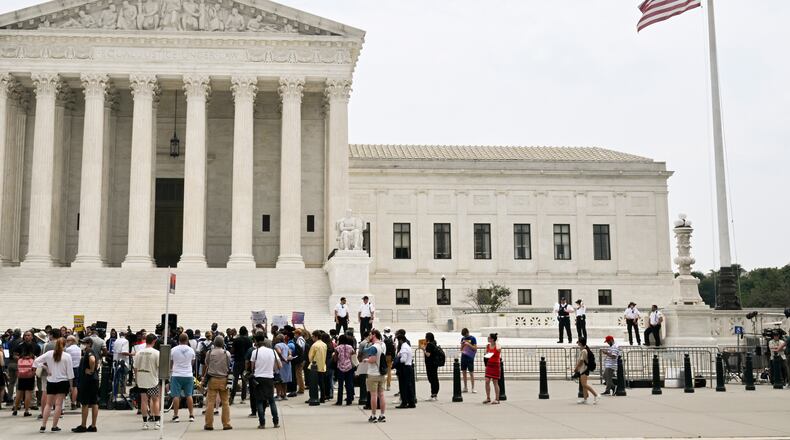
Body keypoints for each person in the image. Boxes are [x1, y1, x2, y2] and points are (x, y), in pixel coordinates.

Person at [33, 337, 74, 432]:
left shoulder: (49, 354)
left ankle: (43, 425)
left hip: (51, 381)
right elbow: (70, 373)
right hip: (63, 381)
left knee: (48, 404)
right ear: (64, 345)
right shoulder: (67, 356)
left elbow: (35, 362)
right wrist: (71, 386)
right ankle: (54, 426)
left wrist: (45, 367)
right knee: (58, 405)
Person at [250, 332, 280, 429]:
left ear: (256, 341)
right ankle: (276, 422)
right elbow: (277, 365)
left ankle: (262, 423)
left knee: (259, 401)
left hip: (258, 378)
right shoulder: (272, 351)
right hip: (269, 377)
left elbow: (252, 367)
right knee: (271, 401)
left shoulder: (255, 352)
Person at [203, 335, 232, 431]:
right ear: (223, 343)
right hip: (224, 379)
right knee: (225, 402)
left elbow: (207, 363)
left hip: (213, 379)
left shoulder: (209, 352)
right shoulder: (226, 353)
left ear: (214, 343)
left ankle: (209, 424)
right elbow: (229, 364)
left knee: (210, 402)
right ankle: (226, 424)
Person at [71, 338, 99, 433]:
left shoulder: (89, 351)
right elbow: (96, 363)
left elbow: (92, 360)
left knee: (85, 403)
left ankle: (83, 425)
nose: (82, 344)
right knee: (94, 402)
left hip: (88, 381)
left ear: (89, 344)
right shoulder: (93, 351)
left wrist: (91, 370)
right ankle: (93, 425)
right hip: (94, 380)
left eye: (83, 343)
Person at [134, 333, 160, 430]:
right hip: (152, 379)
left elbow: (135, 368)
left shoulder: (138, 353)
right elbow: (159, 366)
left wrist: (136, 379)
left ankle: (145, 423)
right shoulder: (156, 353)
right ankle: (157, 421)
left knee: (144, 401)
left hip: (141, 379)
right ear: (153, 341)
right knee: (155, 400)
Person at [170, 333, 196, 422]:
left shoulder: (173, 350)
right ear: (187, 340)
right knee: (189, 395)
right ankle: (191, 415)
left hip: (176, 374)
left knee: (176, 396)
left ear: (178, 340)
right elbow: (192, 363)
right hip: (188, 374)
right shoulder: (191, 350)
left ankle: (176, 415)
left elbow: (171, 363)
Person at [12, 336, 38, 417]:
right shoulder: (33, 359)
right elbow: (35, 369)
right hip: (30, 377)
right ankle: (26, 411)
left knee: (19, 393)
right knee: (28, 393)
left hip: (21, 377)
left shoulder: (20, 359)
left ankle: (15, 409)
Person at [364, 329, 386, 423]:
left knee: (373, 395)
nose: (369, 336)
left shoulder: (374, 347)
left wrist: (366, 360)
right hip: (381, 373)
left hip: (373, 373)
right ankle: (382, 415)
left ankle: (373, 415)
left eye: (370, 335)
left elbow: (372, 360)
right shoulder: (382, 345)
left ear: (374, 335)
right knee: (381, 395)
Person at [573, 337, 599, 405]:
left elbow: (581, 361)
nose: (577, 343)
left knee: (584, 384)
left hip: (584, 369)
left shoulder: (584, 351)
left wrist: (576, 368)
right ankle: (585, 399)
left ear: (580, 343)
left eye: (578, 342)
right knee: (583, 385)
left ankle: (596, 395)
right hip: (583, 369)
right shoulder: (584, 349)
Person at [230, 326, 251, 405]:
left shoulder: (236, 340)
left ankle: (232, 397)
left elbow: (232, 350)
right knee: (244, 380)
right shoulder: (249, 340)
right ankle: (243, 397)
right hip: (245, 362)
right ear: (246, 332)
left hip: (237, 361)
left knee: (235, 380)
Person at [394, 330, 415, 408]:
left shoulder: (404, 347)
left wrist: (398, 357)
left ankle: (404, 402)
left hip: (405, 368)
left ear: (400, 340)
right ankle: (411, 402)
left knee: (403, 386)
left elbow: (403, 359)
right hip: (408, 367)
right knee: (408, 386)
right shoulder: (407, 346)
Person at [333, 334, 355, 405]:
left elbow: (335, 359)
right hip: (349, 367)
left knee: (340, 385)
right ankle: (349, 400)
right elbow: (354, 357)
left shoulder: (337, 348)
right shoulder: (350, 347)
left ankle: (339, 401)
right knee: (349, 384)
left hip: (340, 368)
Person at [308, 330, 328, 403]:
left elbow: (310, 357)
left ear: (316, 336)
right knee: (321, 383)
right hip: (322, 365)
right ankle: (322, 398)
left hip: (314, 366)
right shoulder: (324, 344)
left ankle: (313, 397)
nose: (312, 338)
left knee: (313, 383)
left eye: (313, 336)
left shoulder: (314, 345)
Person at [483, 333, 501, 405]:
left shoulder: (498, 345)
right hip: (489, 365)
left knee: (495, 381)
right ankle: (488, 398)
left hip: (496, 365)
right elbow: (486, 354)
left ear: (492, 339)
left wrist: (495, 342)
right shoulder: (487, 346)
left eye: (489, 337)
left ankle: (497, 399)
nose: (488, 338)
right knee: (487, 381)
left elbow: (498, 349)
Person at [64, 335, 82, 410]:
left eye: (68, 341)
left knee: (66, 386)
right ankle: (73, 403)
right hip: (77, 368)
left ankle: (62, 403)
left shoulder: (67, 349)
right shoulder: (79, 349)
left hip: (68, 369)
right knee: (75, 386)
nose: (66, 342)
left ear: (72, 341)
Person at [273, 334, 292, 400]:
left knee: (278, 380)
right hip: (287, 364)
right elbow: (290, 352)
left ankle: (278, 396)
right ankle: (284, 395)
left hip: (280, 363)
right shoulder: (286, 345)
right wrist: (288, 358)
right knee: (285, 381)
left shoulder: (277, 345)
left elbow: (279, 352)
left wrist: (284, 359)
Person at [459, 328, 477, 393]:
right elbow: (461, 349)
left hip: (470, 357)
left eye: (465, 335)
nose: (464, 336)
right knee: (464, 372)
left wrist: (468, 344)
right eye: (463, 335)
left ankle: (473, 388)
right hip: (463, 356)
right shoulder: (462, 339)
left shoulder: (473, 338)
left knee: (471, 373)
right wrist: (463, 345)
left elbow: (475, 348)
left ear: (467, 332)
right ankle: (465, 387)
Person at [423, 332, 440, 400]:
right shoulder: (434, 342)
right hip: (434, 364)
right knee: (435, 378)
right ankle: (435, 394)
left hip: (430, 364)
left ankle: (433, 394)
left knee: (432, 379)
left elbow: (428, 354)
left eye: (426, 337)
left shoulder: (429, 345)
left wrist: (423, 349)